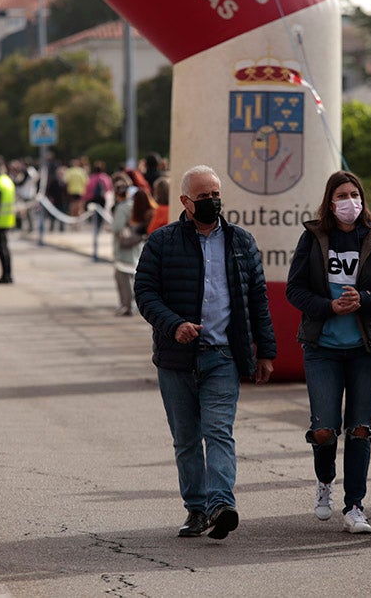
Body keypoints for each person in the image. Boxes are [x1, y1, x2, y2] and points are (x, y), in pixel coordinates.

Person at [134, 164, 276, 540]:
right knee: (185, 438)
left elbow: (257, 300)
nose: (212, 202)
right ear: (185, 201)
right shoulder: (162, 242)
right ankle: (196, 509)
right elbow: (145, 294)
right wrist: (174, 325)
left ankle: (221, 504)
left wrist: (266, 352)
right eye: (203, 197)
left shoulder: (241, 242)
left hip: (223, 356)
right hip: (177, 359)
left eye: (216, 195)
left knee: (218, 432)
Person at [285, 170, 371, 535]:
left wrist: (363, 299)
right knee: (324, 429)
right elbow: (295, 290)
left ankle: (355, 506)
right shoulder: (314, 237)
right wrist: (328, 306)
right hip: (323, 348)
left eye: (355, 194)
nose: (350, 202)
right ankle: (325, 480)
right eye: (341, 196)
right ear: (330, 203)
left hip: (368, 348)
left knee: (361, 429)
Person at [110, 176, 148, 316]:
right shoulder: (134, 205)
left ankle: (126, 305)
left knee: (122, 277)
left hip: (124, 247)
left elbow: (117, 227)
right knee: (132, 277)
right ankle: (133, 304)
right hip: (136, 244)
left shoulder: (122, 207)